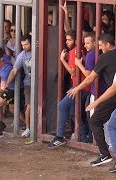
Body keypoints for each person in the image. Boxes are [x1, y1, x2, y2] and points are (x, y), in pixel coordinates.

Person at [67, 33, 116, 167]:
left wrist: (77, 88)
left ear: (107, 44)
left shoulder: (104, 57)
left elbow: (90, 77)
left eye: (100, 45)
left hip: (112, 95)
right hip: (111, 94)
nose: (99, 48)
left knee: (95, 121)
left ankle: (105, 154)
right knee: (111, 124)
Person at [48, 30, 90, 148]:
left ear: (76, 40)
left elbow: (72, 71)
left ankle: (60, 137)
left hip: (80, 86)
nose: (67, 42)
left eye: (69, 40)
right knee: (73, 112)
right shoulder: (81, 48)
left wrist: (62, 60)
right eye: (66, 39)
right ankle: (83, 137)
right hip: (83, 85)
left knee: (62, 106)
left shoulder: (73, 52)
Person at [1, 34, 32, 138]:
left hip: (40, 81)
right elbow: (14, 70)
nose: (24, 47)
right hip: (28, 83)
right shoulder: (22, 55)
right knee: (29, 105)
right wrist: (7, 83)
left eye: (26, 44)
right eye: (22, 45)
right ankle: (28, 128)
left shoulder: (39, 52)